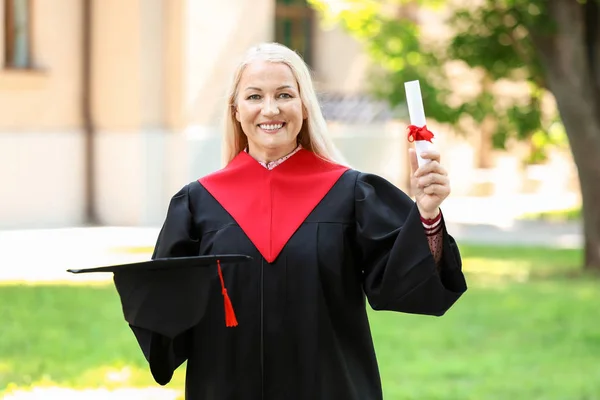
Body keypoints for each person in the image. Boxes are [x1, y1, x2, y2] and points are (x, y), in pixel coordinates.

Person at [122, 42, 467, 400]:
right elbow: (168, 319)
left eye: (284, 94)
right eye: (254, 96)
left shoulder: (350, 194)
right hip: (227, 387)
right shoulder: (198, 203)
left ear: (304, 105)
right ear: (236, 110)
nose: (270, 109)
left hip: (328, 387)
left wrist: (426, 214)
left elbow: (404, 283)